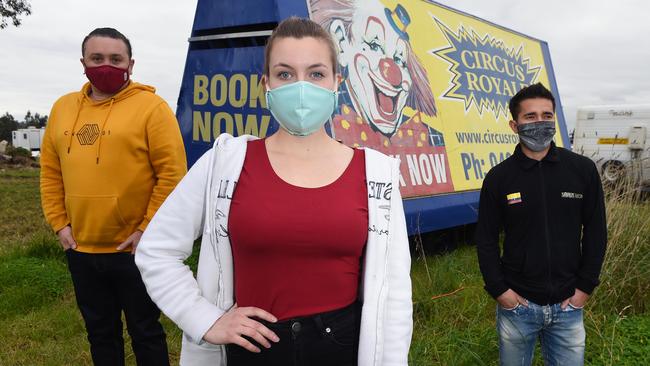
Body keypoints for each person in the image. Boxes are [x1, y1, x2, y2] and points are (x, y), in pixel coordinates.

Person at [135, 17, 412, 366]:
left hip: (342, 349)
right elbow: (156, 252)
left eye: (315, 73)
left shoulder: (376, 173)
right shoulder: (226, 162)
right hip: (252, 351)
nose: (301, 87)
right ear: (266, 84)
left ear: (336, 82)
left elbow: (395, 292)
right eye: (284, 74)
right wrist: (205, 320)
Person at [40, 27, 187, 365]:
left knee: (146, 331)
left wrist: (147, 229)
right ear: (83, 62)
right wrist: (59, 225)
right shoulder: (62, 108)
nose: (106, 65)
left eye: (115, 59)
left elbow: (172, 175)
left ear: (130, 64)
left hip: (135, 249)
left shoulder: (152, 108)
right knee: (100, 332)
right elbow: (50, 171)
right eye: (97, 58)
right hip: (80, 248)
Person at [475, 83, 607, 366]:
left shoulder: (582, 170)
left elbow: (596, 232)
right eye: (530, 117)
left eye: (547, 116)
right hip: (517, 307)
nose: (540, 123)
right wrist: (500, 291)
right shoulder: (499, 178)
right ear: (515, 124)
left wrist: (583, 289)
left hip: (568, 306)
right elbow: (485, 239)